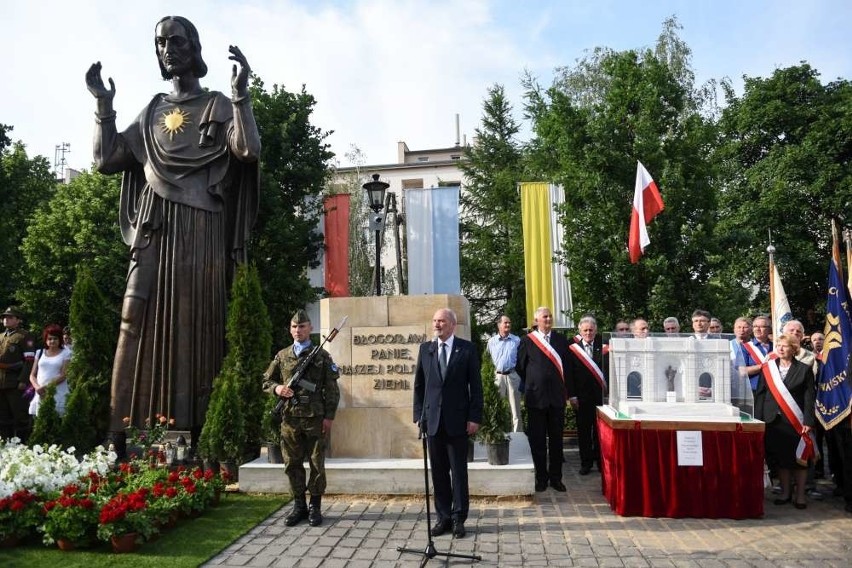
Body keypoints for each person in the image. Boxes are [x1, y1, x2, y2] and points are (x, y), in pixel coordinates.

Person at [86, 16, 260, 444]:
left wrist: (241, 99)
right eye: (160, 42)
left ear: (194, 48)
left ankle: (197, 428)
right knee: (134, 314)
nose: (167, 48)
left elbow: (247, 149)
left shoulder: (218, 104)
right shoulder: (152, 111)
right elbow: (107, 160)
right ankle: (121, 429)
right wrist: (103, 106)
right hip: (154, 223)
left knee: (195, 319)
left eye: (176, 41)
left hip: (201, 225)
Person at [262, 310, 340, 527]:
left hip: (315, 419)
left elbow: (332, 390)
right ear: (290, 329)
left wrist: (329, 417)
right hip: (290, 420)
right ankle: (299, 506)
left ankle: (315, 506)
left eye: (303, 326)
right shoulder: (282, 355)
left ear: (310, 329)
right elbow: (265, 381)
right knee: (292, 463)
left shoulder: (321, 356)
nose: (298, 330)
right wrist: (278, 389)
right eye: (295, 327)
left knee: (316, 464)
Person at [413, 308, 482, 538]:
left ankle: (458, 517)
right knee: (439, 472)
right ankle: (443, 517)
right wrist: (418, 416)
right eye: (434, 321)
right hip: (432, 422)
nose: (437, 325)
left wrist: (474, 417)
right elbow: (419, 386)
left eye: (441, 321)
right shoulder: (427, 349)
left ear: (452, 324)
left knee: (458, 472)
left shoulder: (467, 349)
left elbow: (476, 386)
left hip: (458, 421)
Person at [754, 334, 816, 509]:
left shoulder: (804, 369)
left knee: (799, 459)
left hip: (796, 421)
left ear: (794, 349)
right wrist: (759, 421)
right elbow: (760, 394)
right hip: (773, 420)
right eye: (778, 345)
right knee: (781, 459)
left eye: (785, 346)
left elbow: (810, 397)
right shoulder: (768, 368)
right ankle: (785, 492)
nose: (780, 348)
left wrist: (809, 420)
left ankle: (801, 495)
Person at [516, 307, 571, 492]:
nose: (548, 319)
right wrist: (535, 380)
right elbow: (520, 367)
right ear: (536, 320)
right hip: (536, 398)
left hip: (556, 398)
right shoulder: (527, 341)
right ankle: (541, 478)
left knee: (556, 441)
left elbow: (567, 367)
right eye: (544, 317)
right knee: (538, 441)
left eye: (550, 316)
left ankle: (556, 478)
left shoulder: (561, 340)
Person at [566, 315, 608, 475]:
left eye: (591, 330)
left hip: (600, 397)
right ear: (580, 331)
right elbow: (569, 374)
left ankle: (599, 461)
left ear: (596, 330)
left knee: (599, 432)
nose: (588, 333)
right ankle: (586, 463)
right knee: (583, 432)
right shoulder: (572, 348)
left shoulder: (604, 345)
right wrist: (572, 395)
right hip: (581, 398)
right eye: (585, 330)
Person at [0, 306, 36, 441]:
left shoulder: (25, 336)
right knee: (3, 417)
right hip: (1, 382)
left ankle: (23, 444)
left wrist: (23, 380)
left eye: (10, 317)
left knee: (20, 416)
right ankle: (6, 443)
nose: (6, 319)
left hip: (15, 382)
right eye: (4, 317)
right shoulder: (0, 336)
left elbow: (29, 360)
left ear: (18, 320)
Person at [486, 315, 523, 432]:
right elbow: (487, 360)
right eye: (505, 323)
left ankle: (518, 435)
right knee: (498, 407)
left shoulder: (517, 340)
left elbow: (522, 359)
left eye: (509, 323)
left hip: (513, 375)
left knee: (515, 409)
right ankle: (499, 433)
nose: (508, 325)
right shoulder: (491, 342)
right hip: (498, 376)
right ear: (499, 325)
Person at [28, 324, 72, 417]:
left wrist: (45, 388)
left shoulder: (66, 353)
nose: (52, 341)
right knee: (40, 424)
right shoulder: (39, 352)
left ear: (60, 339)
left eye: (55, 338)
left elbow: (63, 375)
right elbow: (32, 375)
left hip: (58, 393)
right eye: (50, 338)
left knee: (57, 424)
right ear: (46, 340)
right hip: (40, 394)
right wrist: (37, 388)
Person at [742, 315, 774, 391]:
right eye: (755, 326)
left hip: (774, 389)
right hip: (754, 390)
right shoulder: (745, 347)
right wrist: (763, 366)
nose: (757, 329)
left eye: (762, 326)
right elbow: (742, 371)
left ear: (769, 329)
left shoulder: (776, 347)